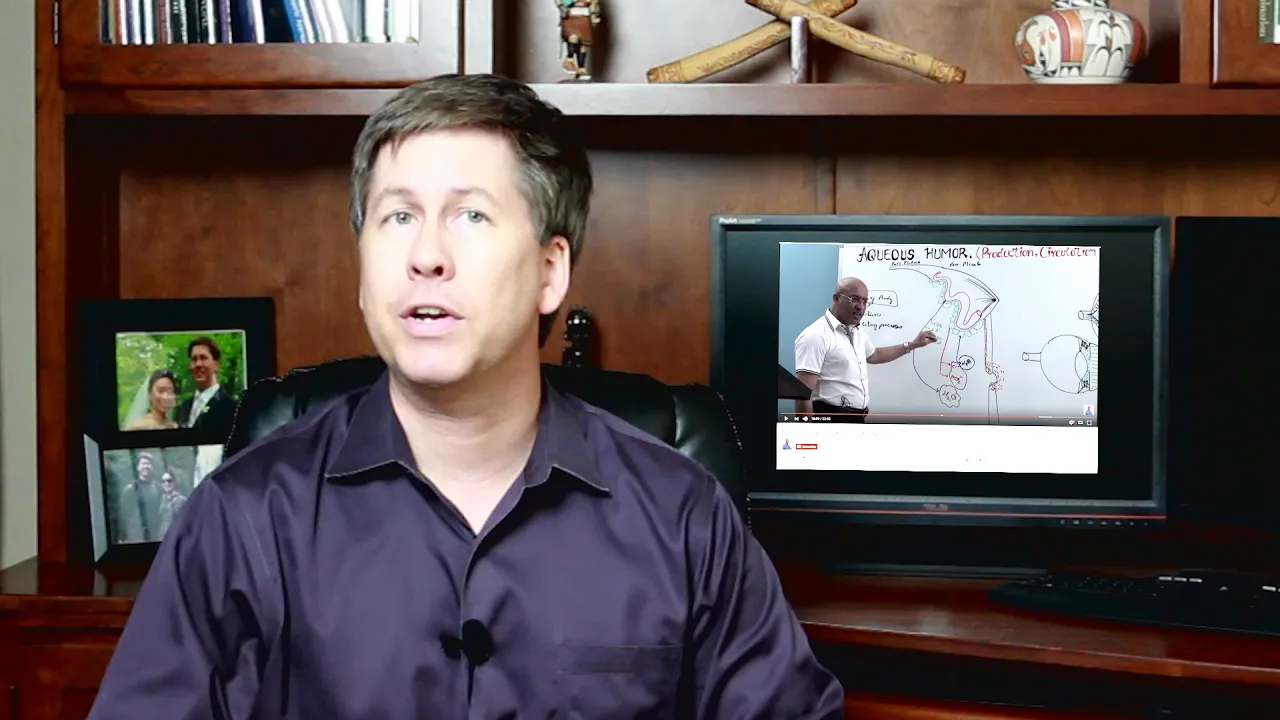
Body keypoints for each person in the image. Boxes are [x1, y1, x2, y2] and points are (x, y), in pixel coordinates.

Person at [87, 73, 845, 719]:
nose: (426, 256)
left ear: (550, 271)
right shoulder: (245, 515)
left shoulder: (680, 515)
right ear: (363, 269)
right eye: (398, 217)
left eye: (471, 216)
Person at [794, 276, 937, 421]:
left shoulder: (856, 331)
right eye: (854, 299)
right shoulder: (815, 336)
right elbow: (803, 395)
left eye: (864, 301)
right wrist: (806, 431)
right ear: (836, 298)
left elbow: (875, 355)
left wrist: (912, 345)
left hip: (857, 418)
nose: (861, 307)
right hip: (830, 418)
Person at [174, 335, 238, 434]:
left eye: (203, 358)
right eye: (194, 359)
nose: (198, 364)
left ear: (216, 365)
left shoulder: (232, 408)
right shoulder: (183, 407)